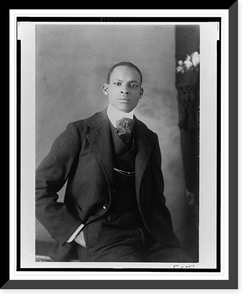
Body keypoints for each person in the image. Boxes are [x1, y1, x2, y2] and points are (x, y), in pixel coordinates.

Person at [36, 61, 192, 262]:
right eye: (118, 84)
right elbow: (36, 190)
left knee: (186, 268)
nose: (125, 91)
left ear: (141, 93)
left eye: (132, 85)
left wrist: (165, 235)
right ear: (106, 89)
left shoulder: (149, 138)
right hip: (102, 237)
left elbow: (156, 199)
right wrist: (76, 234)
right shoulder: (79, 132)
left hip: (150, 236)